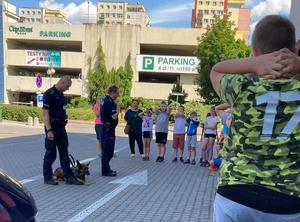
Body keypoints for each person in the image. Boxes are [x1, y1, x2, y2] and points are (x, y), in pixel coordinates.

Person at [210, 15, 300, 222]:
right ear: (294, 52)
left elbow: (216, 70)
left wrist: (253, 63)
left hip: (235, 193)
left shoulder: (242, 87)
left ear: (255, 52)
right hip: (288, 199)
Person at [43, 76, 83, 185]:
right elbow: (45, 114)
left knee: (64, 154)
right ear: (62, 82)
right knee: (51, 154)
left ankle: (69, 177)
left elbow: (62, 110)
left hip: (61, 128)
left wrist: (65, 117)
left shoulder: (61, 96)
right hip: (52, 128)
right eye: (68, 86)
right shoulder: (49, 94)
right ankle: (47, 177)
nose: (68, 88)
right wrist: (49, 130)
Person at [101, 85, 120, 177]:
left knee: (107, 151)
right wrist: (118, 110)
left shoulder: (106, 100)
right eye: (118, 92)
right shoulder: (109, 102)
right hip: (109, 129)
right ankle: (105, 170)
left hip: (107, 128)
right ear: (113, 92)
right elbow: (113, 116)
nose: (119, 94)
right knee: (108, 151)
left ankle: (106, 168)